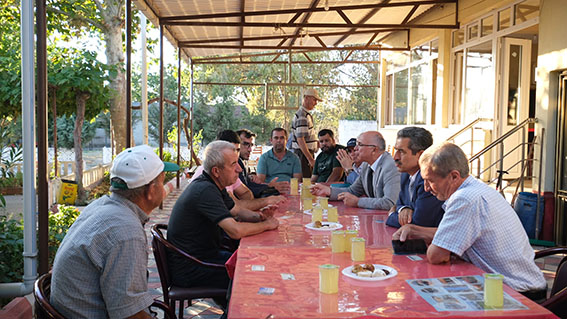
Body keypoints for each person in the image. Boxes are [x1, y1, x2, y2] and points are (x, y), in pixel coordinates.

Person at [392, 142, 547, 299]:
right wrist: (414, 230)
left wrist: (429, 239)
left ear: (454, 176)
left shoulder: (464, 199)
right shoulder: (477, 188)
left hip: (516, 293)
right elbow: (456, 234)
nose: (426, 188)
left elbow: (436, 256)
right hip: (522, 284)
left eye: (430, 180)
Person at [51, 145, 180, 318]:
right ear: (150, 190)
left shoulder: (102, 206)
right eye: (162, 181)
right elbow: (129, 314)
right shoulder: (126, 232)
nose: (164, 187)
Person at [168, 141, 280, 309]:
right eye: (233, 164)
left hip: (203, 256)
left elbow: (237, 210)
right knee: (251, 272)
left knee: (251, 262)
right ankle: (237, 312)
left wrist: (260, 217)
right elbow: (235, 231)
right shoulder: (205, 190)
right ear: (216, 171)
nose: (240, 169)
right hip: (191, 267)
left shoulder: (214, 184)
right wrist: (268, 225)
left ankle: (232, 308)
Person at [192, 130, 285, 210]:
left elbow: (246, 193)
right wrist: (266, 201)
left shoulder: (231, 166)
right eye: (232, 150)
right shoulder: (218, 171)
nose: (239, 169)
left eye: (237, 150)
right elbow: (235, 211)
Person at [311, 131, 400, 210]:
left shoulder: (390, 167)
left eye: (360, 145)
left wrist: (358, 202)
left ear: (374, 149)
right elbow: (353, 191)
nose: (356, 148)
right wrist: (328, 191)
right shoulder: (366, 164)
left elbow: (390, 203)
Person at [386, 127, 444, 228]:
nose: (395, 157)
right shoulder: (406, 175)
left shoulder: (430, 181)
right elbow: (399, 203)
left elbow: (417, 223)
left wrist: (391, 215)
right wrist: (403, 209)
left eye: (401, 152)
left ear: (421, 155)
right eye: (396, 151)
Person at [237, 129, 290, 195]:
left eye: (251, 145)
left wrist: (250, 176)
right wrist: (270, 187)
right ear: (237, 144)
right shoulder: (236, 163)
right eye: (245, 144)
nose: (250, 149)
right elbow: (246, 192)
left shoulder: (242, 161)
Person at [291, 88, 321, 178]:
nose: (316, 103)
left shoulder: (304, 114)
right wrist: (310, 159)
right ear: (307, 98)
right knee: (306, 181)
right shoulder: (302, 116)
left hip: (304, 154)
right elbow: (300, 139)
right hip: (303, 155)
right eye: (314, 100)